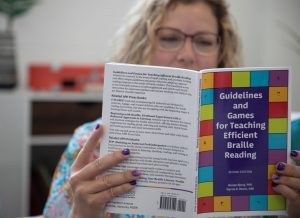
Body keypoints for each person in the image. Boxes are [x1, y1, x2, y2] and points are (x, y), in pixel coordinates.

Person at [43, 0, 300, 217]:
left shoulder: (264, 141)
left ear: (221, 52)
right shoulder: (88, 143)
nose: (187, 54)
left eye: (204, 42)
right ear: (141, 45)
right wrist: (81, 213)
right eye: (169, 38)